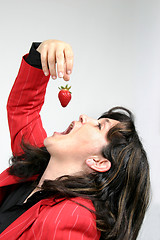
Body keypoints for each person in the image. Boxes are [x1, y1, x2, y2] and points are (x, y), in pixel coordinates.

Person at [0, 40, 150, 240]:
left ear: (99, 161)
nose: (83, 117)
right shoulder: (36, 164)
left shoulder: (72, 218)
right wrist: (41, 55)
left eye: (99, 125)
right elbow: (23, 109)